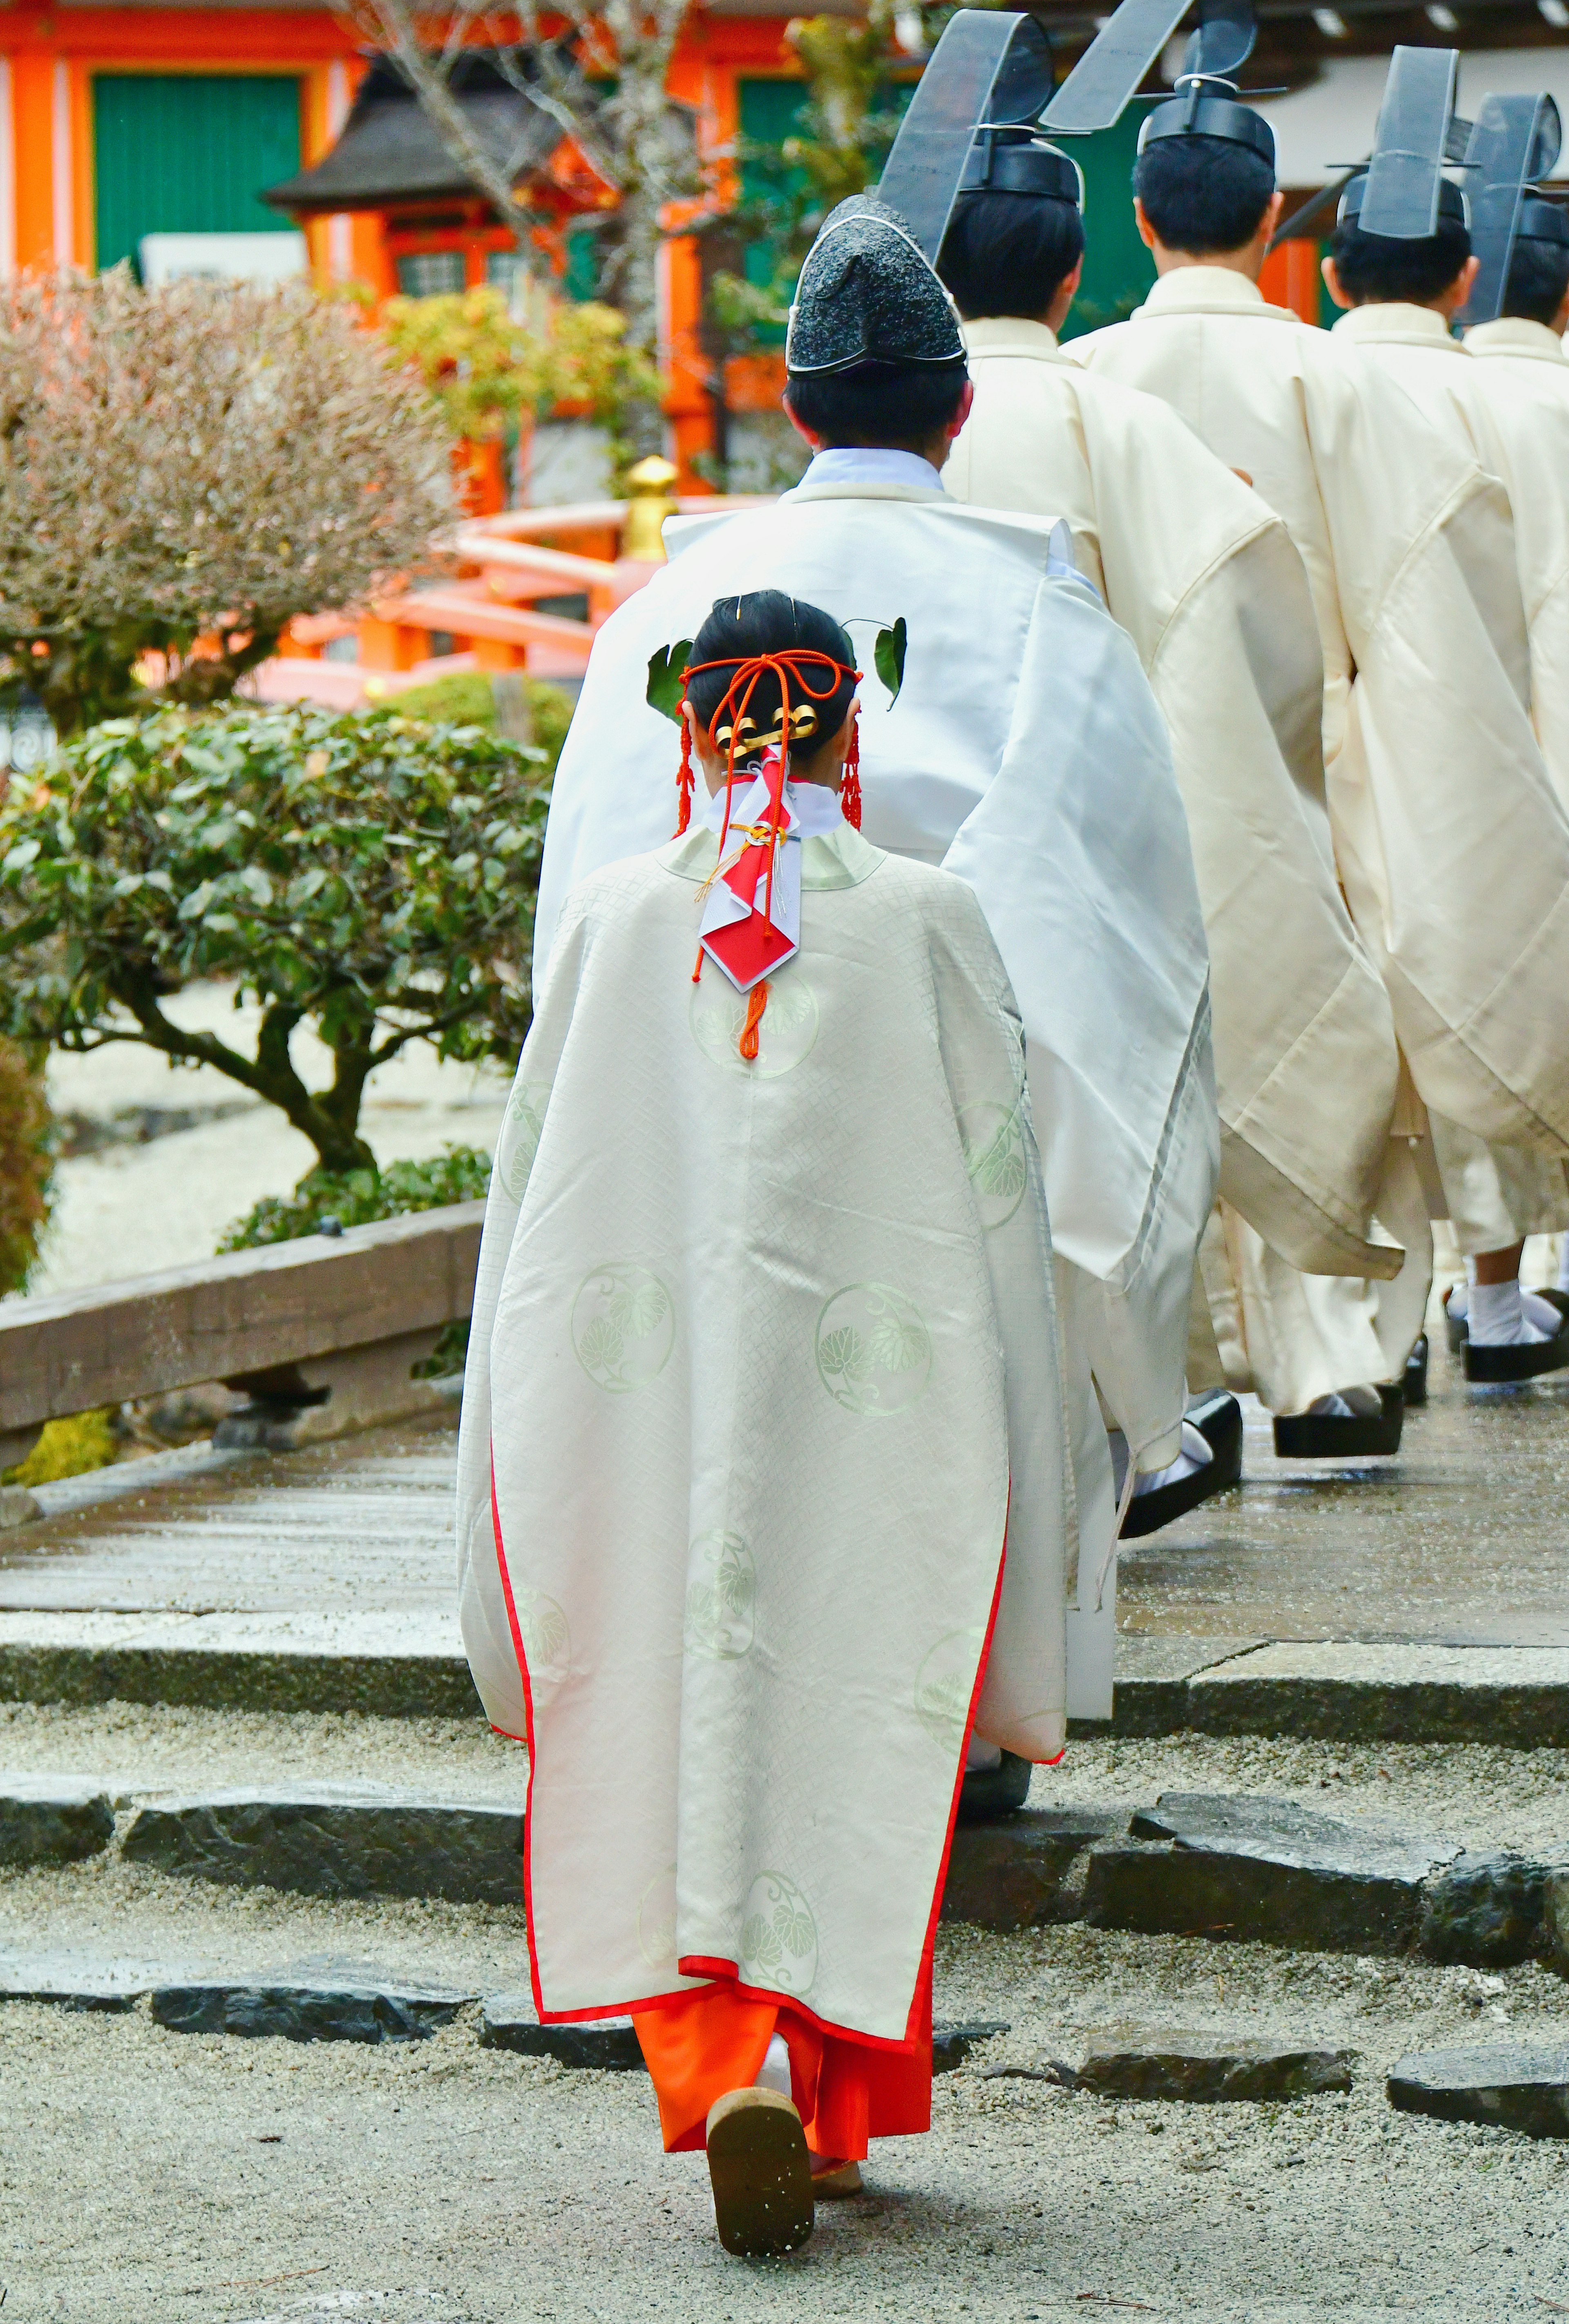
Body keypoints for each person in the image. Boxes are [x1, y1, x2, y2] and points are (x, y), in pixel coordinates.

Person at [536, 191, 1221, 1730]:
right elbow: (1120, 919)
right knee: (967, 1381)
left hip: (714, 1063)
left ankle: (715, 1718)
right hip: (951, 1093)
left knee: (723, 1389)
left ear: (787, 407)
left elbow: (585, 899)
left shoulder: (660, 607)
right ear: (963, 405)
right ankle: (967, 1719)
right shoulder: (1042, 601)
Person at [456, 589, 1075, 2255]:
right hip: (879, 1401)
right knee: (856, 1699)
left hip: (639, 1403)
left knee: (678, 1700)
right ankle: (832, 2100)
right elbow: (1007, 1199)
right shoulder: (928, 920)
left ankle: (738, 2075)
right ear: (841, 730)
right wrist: (1033, 1429)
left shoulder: (602, 921)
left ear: (689, 724)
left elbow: (533, 1206)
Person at [1069, 63, 1569, 1411]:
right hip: (1318, 761)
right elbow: (1428, 589)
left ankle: (1187, 1383)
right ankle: (1348, 1354)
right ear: (1273, 213)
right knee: (1335, 1039)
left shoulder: (1082, 382)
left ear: (1140, 214)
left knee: (1158, 1061)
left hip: (1123, 785)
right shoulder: (1335, 378)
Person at [934, 134, 1410, 1462]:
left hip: (945, 833)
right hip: (1136, 797)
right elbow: (1253, 612)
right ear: (1083, 256)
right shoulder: (1111, 414)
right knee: (1223, 1044)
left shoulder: (933, 423)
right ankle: (1312, 1366)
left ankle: (1118, 1401)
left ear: (1138, 229)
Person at [1316, 146, 1569, 1377]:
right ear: (1464, 279)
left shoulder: (1291, 376)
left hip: (1300, 727)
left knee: (1332, 1006)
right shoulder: (1484, 397)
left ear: (1319, 269)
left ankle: (1364, 1316)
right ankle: (1493, 1287)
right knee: (1472, 985)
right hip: (1469, 723)